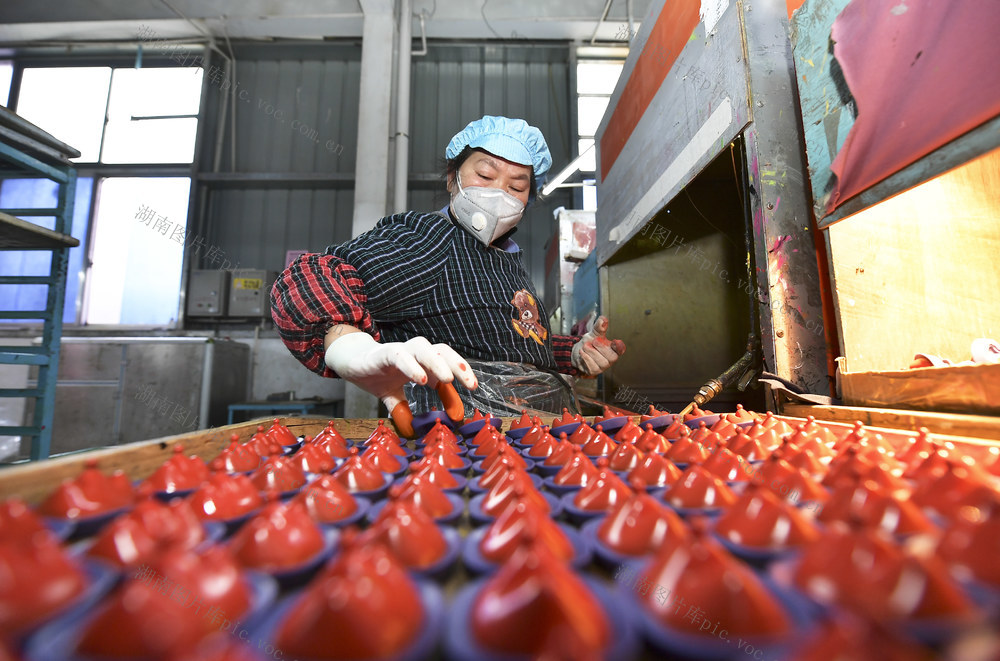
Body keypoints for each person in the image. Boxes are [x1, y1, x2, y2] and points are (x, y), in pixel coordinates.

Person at [270, 115, 626, 420]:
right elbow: (308, 279)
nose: (499, 193)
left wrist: (574, 352)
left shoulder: (506, 257)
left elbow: (509, 341)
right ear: (451, 177)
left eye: (517, 186)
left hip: (529, 439)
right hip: (457, 445)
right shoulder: (430, 241)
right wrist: (349, 347)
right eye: (485, 176)